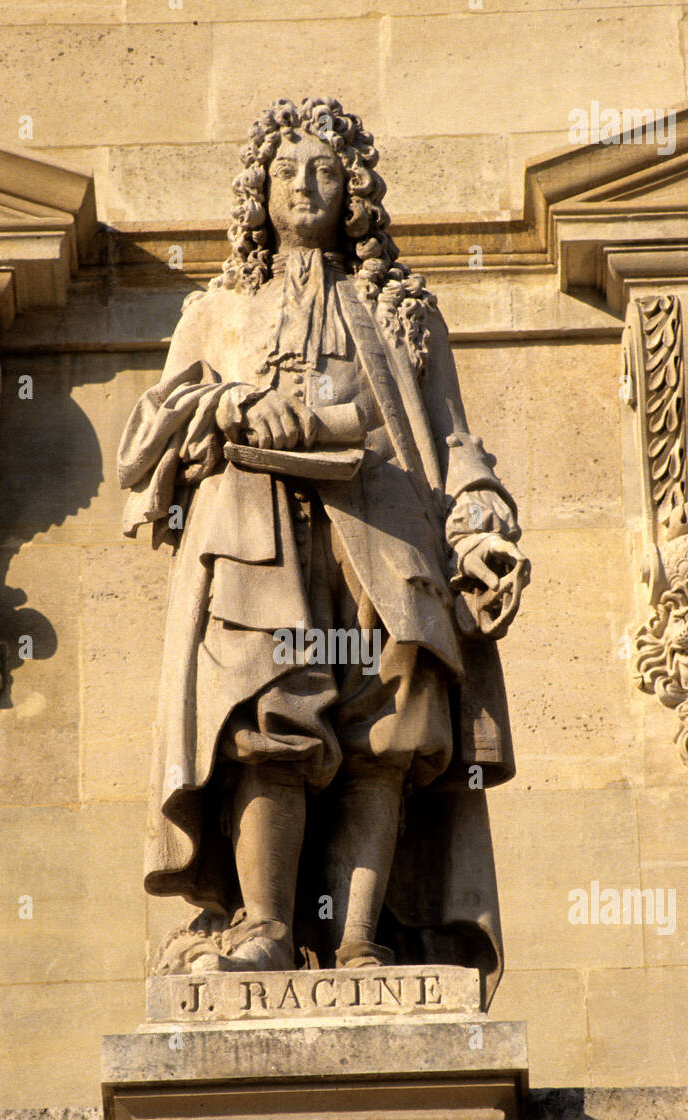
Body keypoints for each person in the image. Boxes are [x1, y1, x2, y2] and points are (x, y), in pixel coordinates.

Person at [118, 96, 528, 1002]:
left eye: (327, 170)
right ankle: (264, 926)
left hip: (382, 530)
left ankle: (358, 943)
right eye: (286, 170)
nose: (306, 184)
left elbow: (454, 445)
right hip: (254, 527)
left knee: (385, 726)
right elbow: (147, 433)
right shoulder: (220, 307)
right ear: (257, 193)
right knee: (267, 715)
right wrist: (224, 404)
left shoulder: (401, 310)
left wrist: (481, 526)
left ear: (356, 193)